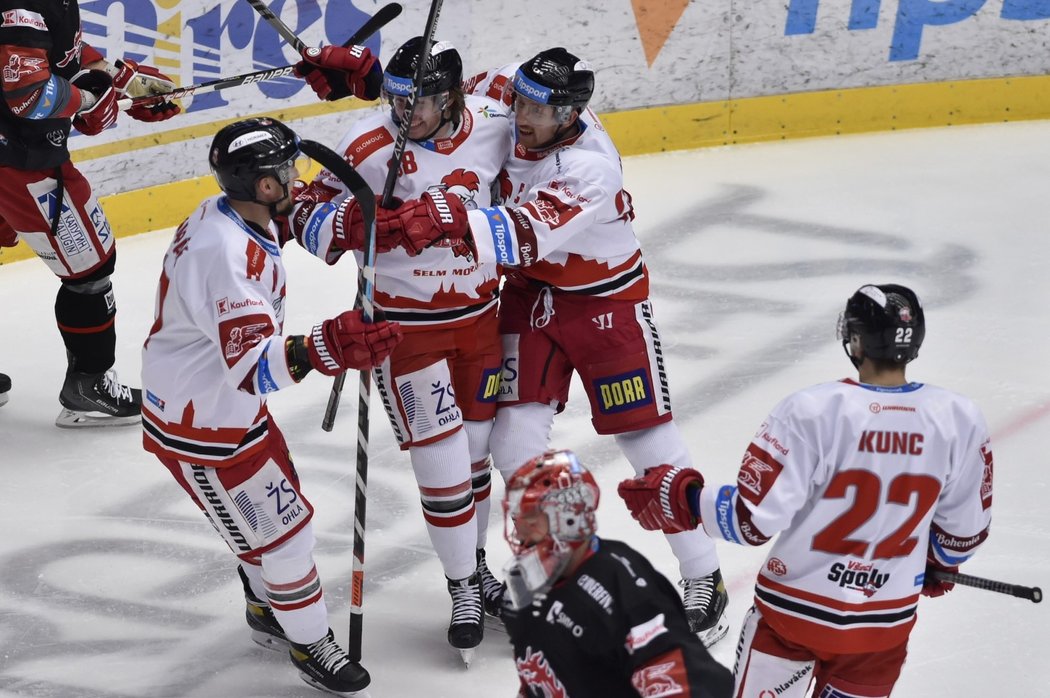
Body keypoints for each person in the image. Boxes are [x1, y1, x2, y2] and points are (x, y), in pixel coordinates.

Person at [381, 47, 730, 646]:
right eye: (518, 100)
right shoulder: (518, 99)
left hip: (605, 305)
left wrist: (439, 217)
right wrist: (369, 76)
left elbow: (517, 235)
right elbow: (455, 84)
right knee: (514, 441)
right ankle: (549, 570)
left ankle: (704, 574)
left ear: (571, 114)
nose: (519, 114)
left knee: (644, 435)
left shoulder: (590, 167)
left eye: (538, 109)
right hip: (529, 302)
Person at [617, 283, 994, 697]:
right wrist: (936, 560)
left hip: (792, 619)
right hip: (881, 630)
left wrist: (684, 498)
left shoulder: (812, 410)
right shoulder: (959, 419)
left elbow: (750, 523)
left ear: (855, 339)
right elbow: (960, 538)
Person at [141, 117, 405, 695]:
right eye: (286, 172)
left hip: (219, 413)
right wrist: (329, 345)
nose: (295, 176)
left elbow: (281, 230)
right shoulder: (228, 258)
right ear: (263, 186)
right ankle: (310, 644)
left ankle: (266, 610)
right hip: (203, 428)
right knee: (285, 539)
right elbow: (253, 369)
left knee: (270, 527)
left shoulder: (228, 215)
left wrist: (338, 218)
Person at [298, 36, 513, 662]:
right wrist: (351, 225)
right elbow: (302, 214)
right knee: (441, 464)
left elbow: (534, 95)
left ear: (454, 98)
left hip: (481, 320)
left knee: (475, 458)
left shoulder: (496, 124)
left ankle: (476, 570)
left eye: (418, 101)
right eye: (393, 98)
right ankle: (462, 589)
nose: (404, 114)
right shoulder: (368, 145)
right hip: (405, 332)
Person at [0, 0, 180, 426]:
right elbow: (27, 95)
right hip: (21, 161)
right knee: (90, 270)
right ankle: (89, 385)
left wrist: (118, 79)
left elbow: (59, 48)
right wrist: (86, 101)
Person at [501, 448, 734, 697]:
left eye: (531, 520)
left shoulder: (621, 585)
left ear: (566, 519)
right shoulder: (522, 588)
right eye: (518, 519)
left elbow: (678, 684)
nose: (519, 533)